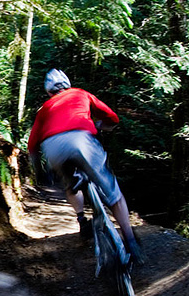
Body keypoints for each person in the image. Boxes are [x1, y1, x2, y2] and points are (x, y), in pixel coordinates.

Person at [27, 69, 144, 264]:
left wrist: (38, 170)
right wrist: (100, 125)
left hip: (53, 148)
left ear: (48, 92)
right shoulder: (80, 93)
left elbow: (32, 144)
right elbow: (112, 118)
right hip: (82, 141)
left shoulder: (45, 108)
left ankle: (81, 219)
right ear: (67, 84)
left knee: (70, 185)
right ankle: (130, 240)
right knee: (114, 194)